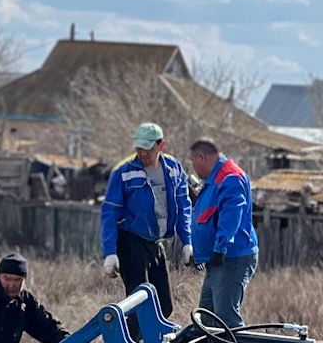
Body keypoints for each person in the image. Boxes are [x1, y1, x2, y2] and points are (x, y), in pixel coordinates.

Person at [100, 122, 193, 321]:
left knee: (164, 305)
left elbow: (183, 205)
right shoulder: (124, 172)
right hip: (131, 240)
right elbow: (110, 212)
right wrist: (110, 253)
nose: (143, 153)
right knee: (137, 305)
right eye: (139, 147)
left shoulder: (174, 168)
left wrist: (187, 242)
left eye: (148, 148)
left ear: (161, 145)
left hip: (156, 241)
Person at [186, 138, 259, 329]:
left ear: (202, 157)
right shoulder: (215, 179)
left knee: (226, 318)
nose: (193, 168)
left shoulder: (229, 177)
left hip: (230, 257)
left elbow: (232, 213)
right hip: (217, 258)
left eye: (193, 161)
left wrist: (220, 247)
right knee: (207, 317)